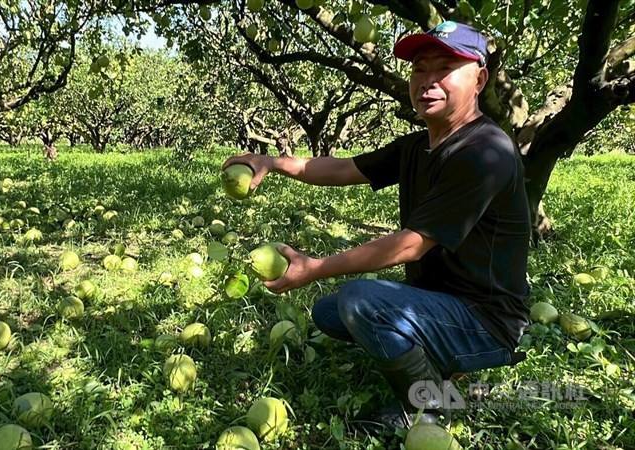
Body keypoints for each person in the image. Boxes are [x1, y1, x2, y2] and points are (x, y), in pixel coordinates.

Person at [222, 21, 531, 429]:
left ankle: (433, 405)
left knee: (360, 303)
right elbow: (344, 168)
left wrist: (315, 268)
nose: (428, 81)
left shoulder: (484, 152)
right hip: (441, 300)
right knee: (330, 312)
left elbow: (411, 245)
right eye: (420, 69)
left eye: (445, 68)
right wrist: (273, 162)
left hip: (488, 321)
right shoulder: (419, 145)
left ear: (479, 78)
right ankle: (439, 358)